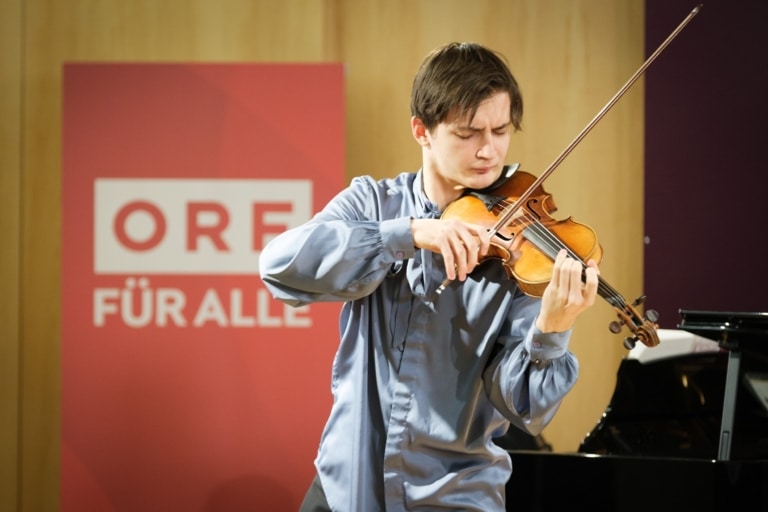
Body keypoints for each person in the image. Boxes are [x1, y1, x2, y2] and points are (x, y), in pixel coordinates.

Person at [258, 41, 599, 512]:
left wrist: (552, 329)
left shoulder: (520, 251)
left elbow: (526, 409)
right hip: (347, 487)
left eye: (501, 130)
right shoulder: (373, 205)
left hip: (454, 497)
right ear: (422, 130)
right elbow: (279, 265)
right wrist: (410, 233)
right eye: (468, 133)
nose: (489, 149)